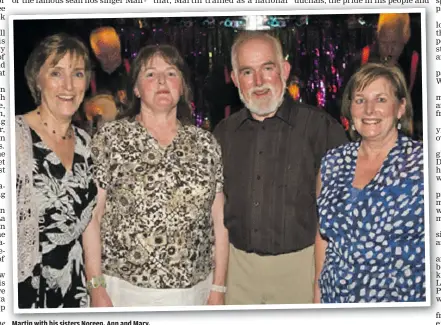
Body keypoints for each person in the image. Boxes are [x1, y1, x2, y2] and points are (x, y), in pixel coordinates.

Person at [87, 44, 229, 307]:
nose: (162, 81)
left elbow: (219, 221)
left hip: (195, 291)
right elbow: (92, 217)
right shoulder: (110, 139)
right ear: (136, 89)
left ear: (182, 86)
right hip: (124, 291)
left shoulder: (206, 144)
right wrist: (96, 287)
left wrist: (218, 287)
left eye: (171, 73)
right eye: (151, 74)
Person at [213, 31, 348, 305]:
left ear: (284, 70)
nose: (259, 81)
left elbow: (345, 213)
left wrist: (323, 282)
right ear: (236, 79)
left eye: (268, 68)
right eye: (248, 72)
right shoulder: (222, 134)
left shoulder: (321, 128)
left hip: (302, 269)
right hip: (237, 272)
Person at [314, 63, 425, 303]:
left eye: (381, 99)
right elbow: (323, 237)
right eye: (360, 100)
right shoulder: (333, 162)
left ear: (400, 108)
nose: (369, 110)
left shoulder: (423, 164)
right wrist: (317, 294)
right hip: (335, 300)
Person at [16, 33, 97, 308]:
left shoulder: (87, 145)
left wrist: (97, 287)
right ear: (37, 79)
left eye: (77, 73)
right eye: (55, 73)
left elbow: (89, 227)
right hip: (25, 293)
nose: (68, 85)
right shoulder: (13, 137)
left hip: (74, 290)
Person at [342, 13, 422, 138]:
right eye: (384, 43)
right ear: (377, 37)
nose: (389, 50)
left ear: (405, 38)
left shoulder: (416, 63)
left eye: (395, 43)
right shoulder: (360, 61)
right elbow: (343, 103)